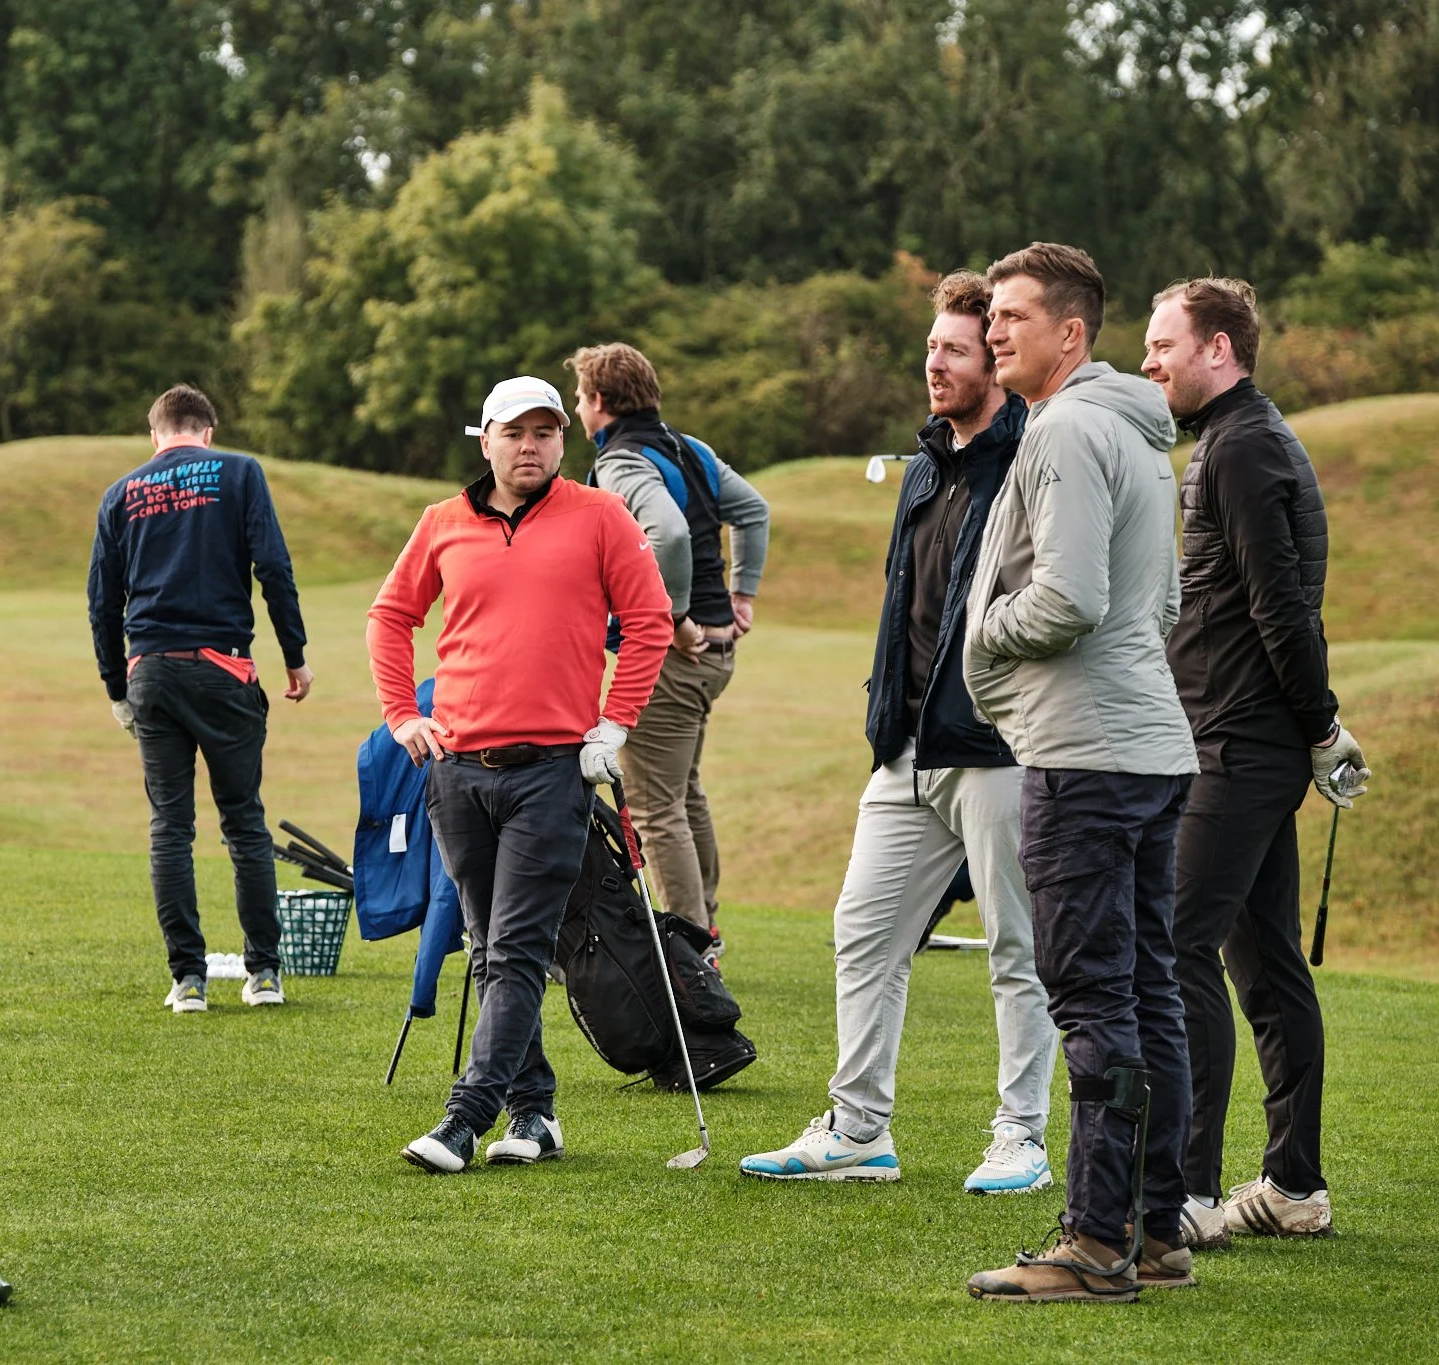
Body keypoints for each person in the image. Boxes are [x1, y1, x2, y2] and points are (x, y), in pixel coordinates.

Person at [739, 272, 1060, 1195]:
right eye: (931, 349)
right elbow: (901, 602)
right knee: (863, 929)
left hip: (995, 746)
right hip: (907, 746)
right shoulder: (923, 468)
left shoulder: (1027, 458)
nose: (936, 363)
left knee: (1016, 944)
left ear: (995, 361)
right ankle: (858, 1127)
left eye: (955, 349)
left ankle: (1020, 1136)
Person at [959, 244, 1198, 1303]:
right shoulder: (1144, 439)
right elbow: (1167, 607)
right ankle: (1157, 1236)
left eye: (1013, 316)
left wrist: (979, 631)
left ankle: (1094, 1243)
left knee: (1093, 999)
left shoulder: (1061, 429)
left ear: (1070, 333)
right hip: (1148, 750)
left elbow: (1068, 601)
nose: (994, 330)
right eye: (991, 316)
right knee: (1149, 994)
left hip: (1085, 756)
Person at [367, 376, 671, 1173]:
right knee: (489, 943)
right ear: (487, 440)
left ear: (561, 441)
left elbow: (649, 620)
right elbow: (390, 616)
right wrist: (403, 715)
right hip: (457, 771)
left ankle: (465, 1117)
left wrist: (616, 723)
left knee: (518, 948)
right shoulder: (443, 523)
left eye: (545, 432)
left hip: (552, 771)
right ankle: (534, 1112)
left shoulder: (600, 515)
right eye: (515, 432)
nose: (530, 446)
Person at [1141, 278, 1370, 1248]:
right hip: (1235, 740)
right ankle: (1291, 1186)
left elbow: (1282, 611)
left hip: (1237, 746)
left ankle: (1188, 1193)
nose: (1148, 361)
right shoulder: (1237, 441)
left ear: (1218, 350)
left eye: (1162, 345)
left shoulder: (1237, 450)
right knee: (1265, 965)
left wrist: (1319, 730)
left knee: (1178, 949)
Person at [88, 384, 312, 1013]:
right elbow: (274, 568)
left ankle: (188, 979)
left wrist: (116, 687)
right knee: (244, 822)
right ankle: (263, 973)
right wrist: (294, 656)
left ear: (154, 435)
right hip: (223, 671)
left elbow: (102, 603)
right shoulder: (240, 473)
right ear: (207, 432)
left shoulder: (121, 493)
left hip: (151, 674)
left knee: (170, 829)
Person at [570, 343, 769, 961]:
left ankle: (689, 949)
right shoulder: (690, 449)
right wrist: (742, 593)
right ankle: (704, 929)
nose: (578, 409)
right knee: (683, 794)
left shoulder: (623, 461)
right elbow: (753, 511)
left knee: (656, 809)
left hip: (677, 657)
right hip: (716, 653)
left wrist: (674, 619)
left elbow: (672, 534)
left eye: (579, 398)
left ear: (600, 402)